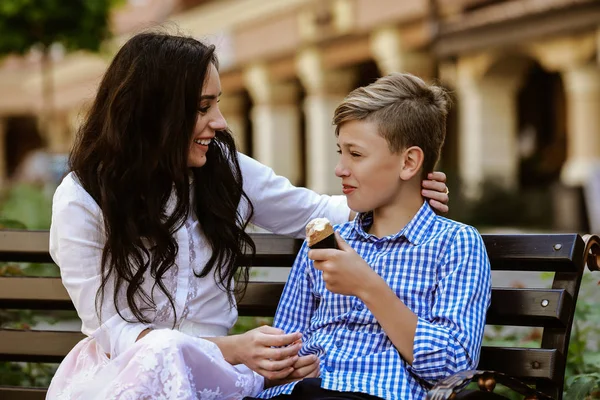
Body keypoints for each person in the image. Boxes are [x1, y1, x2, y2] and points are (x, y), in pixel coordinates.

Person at [45, 32, 450, 400]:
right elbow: (115, 333)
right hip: (124, 376)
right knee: (160, 350)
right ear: (155, 114)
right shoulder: (82, 201)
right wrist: (233, 350)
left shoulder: (220, 168)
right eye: (203, 107)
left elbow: (317, 213)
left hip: (219, 379)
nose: (219, 123)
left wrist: (406, 191)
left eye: (217, 104)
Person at [250, 73, 491, 400]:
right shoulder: (326, 241)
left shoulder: (455, 244)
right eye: (340, 152)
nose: (340, 168)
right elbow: (285, 344)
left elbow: (453, 368)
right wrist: (290, 363)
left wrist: (368, 285)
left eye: (356, 154)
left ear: (409, 162)